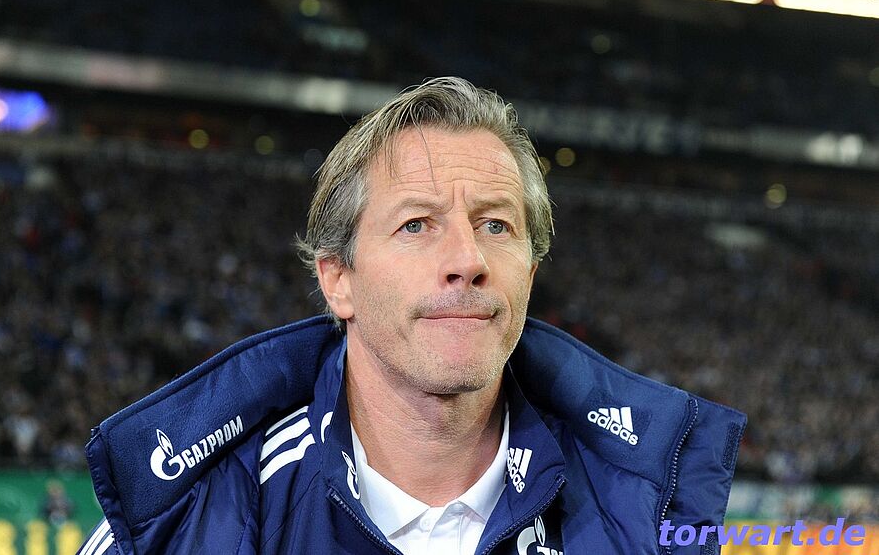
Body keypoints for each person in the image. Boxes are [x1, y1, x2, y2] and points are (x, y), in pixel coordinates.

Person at [77, 77, 746, 555]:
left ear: (531, 274)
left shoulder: (648, 515)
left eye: (496, 225)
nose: (467, 260)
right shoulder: (182, 525)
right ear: (338, 280)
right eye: (416, 225)